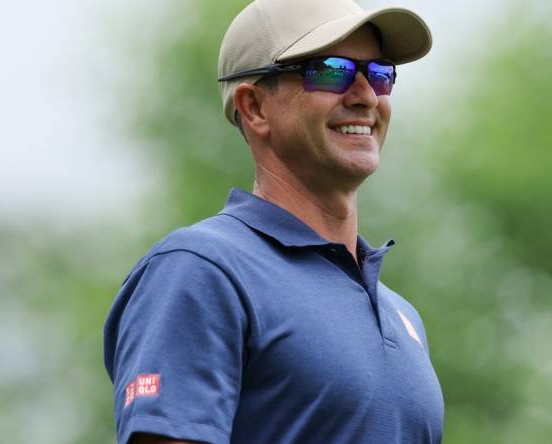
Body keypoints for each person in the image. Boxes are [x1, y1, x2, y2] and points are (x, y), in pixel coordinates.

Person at [103, 0, 442, 442]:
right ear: (254, 107)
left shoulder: (403, 315)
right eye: (331, 71)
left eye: (379, 74)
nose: (365, 96)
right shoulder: (203, 269)